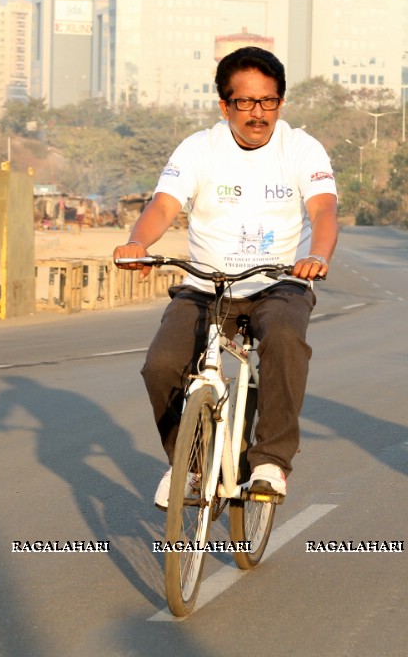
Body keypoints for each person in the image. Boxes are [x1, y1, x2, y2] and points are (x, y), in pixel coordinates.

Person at [113, 46, 338, 508]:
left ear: (280, 101)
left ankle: (271, 461)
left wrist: (316, 254)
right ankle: (191, 467)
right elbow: (163, 205)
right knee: (160, 365)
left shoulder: (300, 148)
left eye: (269, 101)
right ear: (224, 105)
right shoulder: (200, 148)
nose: (258, 114)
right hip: (207, 284)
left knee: (284, 341)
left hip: (280, 282)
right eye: (246, 102)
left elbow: (324, 209)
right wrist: (139, 243)